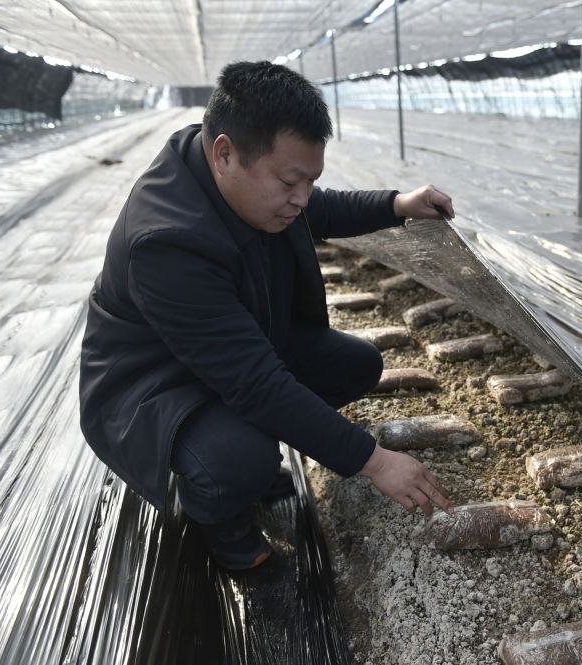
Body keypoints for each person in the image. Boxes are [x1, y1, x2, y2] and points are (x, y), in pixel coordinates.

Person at [79, 61, 454, 569]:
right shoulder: (167, 242)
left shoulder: (233, 167)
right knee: (243, 458)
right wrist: (373, 460)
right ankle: (218, 511)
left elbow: (321, 208)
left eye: (309, 180)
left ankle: (240, 443)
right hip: (155, 383)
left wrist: (397, 204)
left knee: (356, 364)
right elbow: (255, 383)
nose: (302, 199)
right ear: (224, 155)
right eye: (290, 183)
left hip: (229, 345)